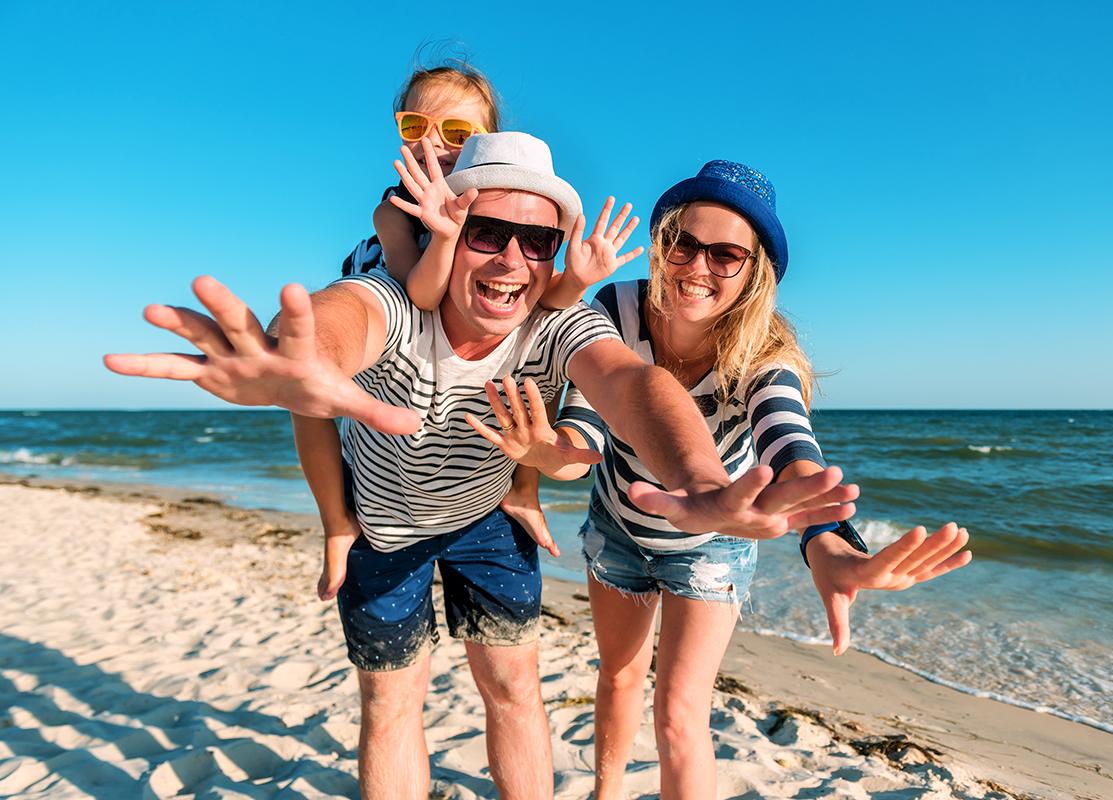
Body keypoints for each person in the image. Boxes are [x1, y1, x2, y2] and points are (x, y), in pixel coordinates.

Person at [104, 134, 858, 800]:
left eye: (536, 243)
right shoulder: (396, 300)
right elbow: (344, 318)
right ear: (446, 228)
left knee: (516, 690)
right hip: (387, 531)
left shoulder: (562, 321)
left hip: (488, 525)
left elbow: (633, 388)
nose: (511, 260)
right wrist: (301, 360)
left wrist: (703, 486)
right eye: (487, 232)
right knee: (393, 705)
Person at [474, 160, 972, 800]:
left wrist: (826, 539)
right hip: (619, 527)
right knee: (619, 677)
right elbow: (587, 432)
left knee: (680, 715)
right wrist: (547, 452)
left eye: (726, 254)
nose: (697, 267)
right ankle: (605, 792)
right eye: (683, 242)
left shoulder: (765, 354)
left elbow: (790, 445)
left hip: (712, 545)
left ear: (754, 270)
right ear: (662, 244)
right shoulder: (615, 308)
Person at [302, 60, 641, 602]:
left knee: (536, 350)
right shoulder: (392, 217)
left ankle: (523, 490)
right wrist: (442, 236)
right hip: (402, 326)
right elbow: (420, 294)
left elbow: (542, 306)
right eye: (415, 126)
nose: (432, 143)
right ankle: (336, 524)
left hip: (479, 486)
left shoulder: (510, 225)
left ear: (490, 145)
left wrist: (574, 279)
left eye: (457, 133)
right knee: (311, 397)